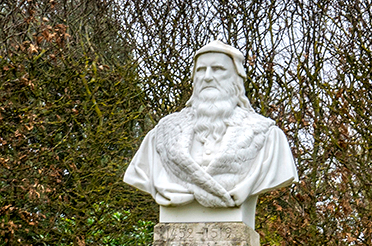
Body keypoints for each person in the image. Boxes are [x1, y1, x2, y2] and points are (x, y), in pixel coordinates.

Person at [123, 41, 297, 222]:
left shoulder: (268, 137)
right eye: (200, 70)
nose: (207, 77)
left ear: (236, 78)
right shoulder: (160, 135)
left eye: (217, 69)